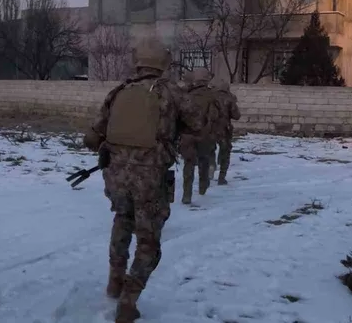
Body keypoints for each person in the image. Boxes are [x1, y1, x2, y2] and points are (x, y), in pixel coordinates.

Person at [83, 37, 195, 323]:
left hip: (116, 177)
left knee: (122, 219)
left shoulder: (119, 91)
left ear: (138, 61)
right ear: (163, 62)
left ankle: (115, 281)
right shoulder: (172, 92)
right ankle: (128, 301)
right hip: (150, 179)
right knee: (148, 240)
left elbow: (92, 137)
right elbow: (197, 123)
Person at [178, 67, 220, 205]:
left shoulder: (186, 94)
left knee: (188, 164)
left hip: (187, 135)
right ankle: (203, 185)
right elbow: (217, 115)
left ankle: (187, 194)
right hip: (205, 134)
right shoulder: (212, 95)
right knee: (204, 160)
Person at [209, 75, 241, 185]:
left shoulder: (210, 97)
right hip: (224, 129)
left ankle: (211, 165)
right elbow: (236, 116)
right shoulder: (229, 98)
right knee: (225, 152)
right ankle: (222, 177)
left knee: (209, 149)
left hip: (210, 128)